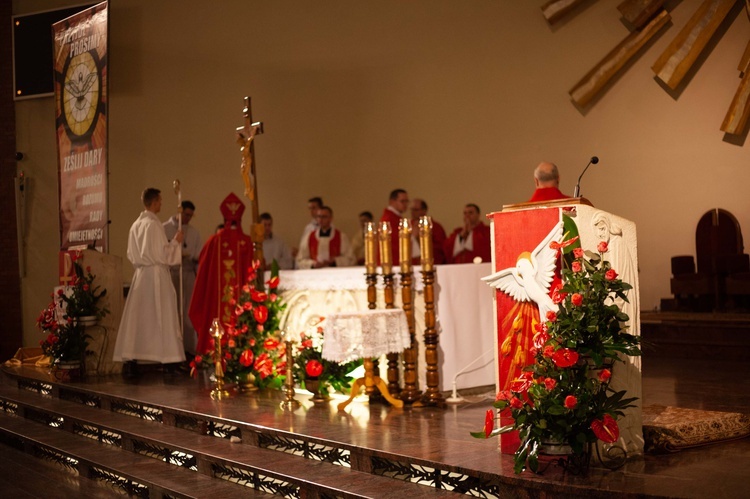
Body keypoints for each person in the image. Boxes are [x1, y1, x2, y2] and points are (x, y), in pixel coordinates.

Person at [113, 188, 185, 376]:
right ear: (153, 203)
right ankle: (170, 361)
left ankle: (130, 361)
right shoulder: (153, 225)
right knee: (163, 317)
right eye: (160, 201)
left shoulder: (135, 225)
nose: (161, 204)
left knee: (138, 320)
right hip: (156, 275)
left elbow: (132, 253)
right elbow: (163, 255)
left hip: (140, 276)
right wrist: (176, 242)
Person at [189, 193, 254, 354]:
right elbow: (253, 273)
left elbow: (202, 273)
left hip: (215, 301)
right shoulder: (246, 242)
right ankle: (239, 358)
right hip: (239, 299)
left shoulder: (214, 241)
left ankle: (214, 356)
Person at [163, 200, 202, 357]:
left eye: (191, 216)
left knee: (188, 312)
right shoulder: (164, 228)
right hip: (172, 273)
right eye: (186, 215)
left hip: (187, 274)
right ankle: (172, 351)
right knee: (173, 311)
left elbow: (198, 256)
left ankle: (189, 350)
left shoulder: (194, 233)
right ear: (179, 212)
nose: (188, 218)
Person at [410, 198, 447, 265]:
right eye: (411, 209)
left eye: (416, 210)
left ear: (424, 211)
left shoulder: (435, 227)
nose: (413, 212)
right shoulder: (408, 226)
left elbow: (440, 249)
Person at [379, 189, 409, 265]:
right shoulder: (388, 219)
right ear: (392, 201)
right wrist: (412, 236)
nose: (405, 204)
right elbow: (396, 244)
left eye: (407, 201)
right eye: (402, 201)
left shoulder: (397, 218)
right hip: (392, 263)